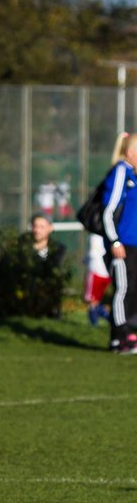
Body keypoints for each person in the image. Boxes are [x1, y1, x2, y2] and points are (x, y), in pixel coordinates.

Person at [97, 132, 137, 353]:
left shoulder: (133, 174)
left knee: (133, 290)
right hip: (122, 244)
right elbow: (108, 210)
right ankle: (122, 337)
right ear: (130, 152)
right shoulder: (121, 171)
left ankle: (122, 337)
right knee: (123, 289)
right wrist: (114, 241)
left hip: (134, 243)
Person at [83, 233, 111, 327]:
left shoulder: (94, 235)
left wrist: (86, 260)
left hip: (96, 270)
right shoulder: (108, 234)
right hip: (106, 273)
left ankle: (97, 321)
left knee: (91, 300)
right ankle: (106, 318)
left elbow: (93, 253)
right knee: (97, 299)